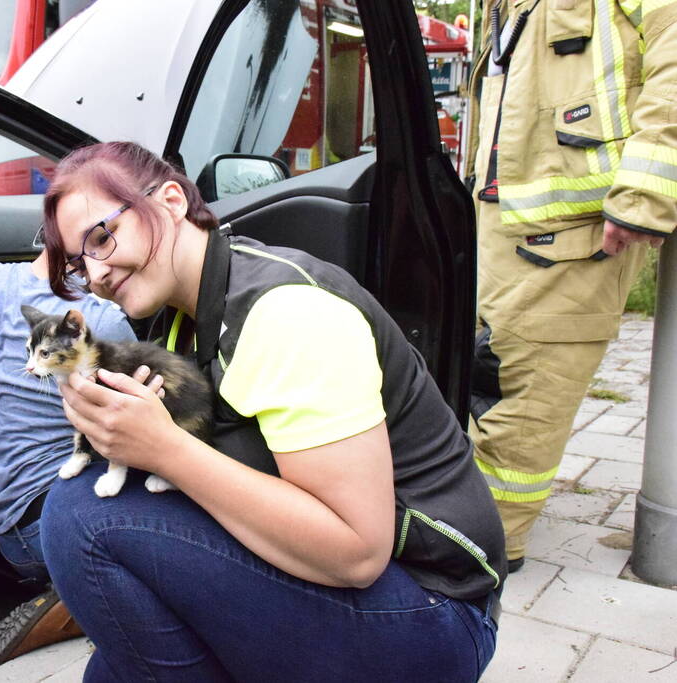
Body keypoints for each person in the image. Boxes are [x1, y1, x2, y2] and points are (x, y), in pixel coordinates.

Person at [37, 141, 505, 681]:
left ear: (171, 200)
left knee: (83, 516)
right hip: (355, 589)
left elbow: (357, 553)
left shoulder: (285, 312)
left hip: (431, 611)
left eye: (101, 237)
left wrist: (164, 449)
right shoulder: (178, 321)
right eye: (76, 263)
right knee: (115, 666)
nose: (93, 274)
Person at [465, 0, 677, 572]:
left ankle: (487, 545)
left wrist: (643, 195)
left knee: (525, 387)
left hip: (576, 229)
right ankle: (472, 521)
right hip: (508, 223)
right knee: (492, 372)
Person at [0, 246, 141, 670]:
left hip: (3, 531)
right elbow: (138, 437)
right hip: (60, 528)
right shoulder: (97, 319)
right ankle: (77, 600)